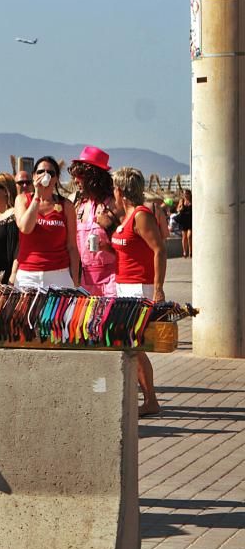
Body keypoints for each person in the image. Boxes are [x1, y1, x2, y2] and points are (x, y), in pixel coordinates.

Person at [111, 167, 166, 417]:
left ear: (120, 190)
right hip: (124, 287)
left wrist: (158, 289)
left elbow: (159, 249)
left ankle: (151, 399)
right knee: (130, 346)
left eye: (114, 188)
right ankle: (144, 397)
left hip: (138, 288)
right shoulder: (127, 216)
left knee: (135, 346)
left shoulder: (141, 215)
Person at [13, 156, 80, 289]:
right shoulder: (22, 200)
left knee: (59, 311)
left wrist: (75, 281)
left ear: (56, 178)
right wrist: (37, 196)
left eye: (50, 173)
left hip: (59, 274)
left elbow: (72, 246)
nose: (45, 175)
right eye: (40, 172)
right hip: (28, 275)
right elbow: (25, 228)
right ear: (33, 176)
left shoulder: (66, 205)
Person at [69, 146, 119, 296]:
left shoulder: (114, 204)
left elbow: (129, 243)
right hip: (85, 281)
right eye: (75, 175)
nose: (76, 180)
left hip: (112, 281)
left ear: (94, 177)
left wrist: (110, 228)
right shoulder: (78, 204)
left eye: (81, 175)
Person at [175, 190, 192, 257]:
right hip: (183, 219)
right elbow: (177, 209)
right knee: (184, 237)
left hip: (190, 219)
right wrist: (180, 208)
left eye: (187, 194)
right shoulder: (181, 201)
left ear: (190, 194)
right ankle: (184, 252)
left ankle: (191, 251)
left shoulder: (193, 200)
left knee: (189, 236)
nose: (185, 195)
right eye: (184, 194)